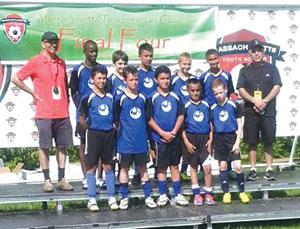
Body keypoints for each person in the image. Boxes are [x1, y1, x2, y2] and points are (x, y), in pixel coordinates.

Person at [11, 31, 73, 192]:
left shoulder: (61, 62)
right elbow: (16, 78)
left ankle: (61, 178)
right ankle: (46, 179)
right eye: (50, 42)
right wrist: (32, 93)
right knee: (44, 146)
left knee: (63, 146)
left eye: (55, 42)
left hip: (62, 111)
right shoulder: (35, 62)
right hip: (44, 112)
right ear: (43, 43)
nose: (54, 44)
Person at [237, 39, 282, 181]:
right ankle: (253, 169)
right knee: (252, 141)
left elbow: (277, 87)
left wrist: (265, 101)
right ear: (250, 53)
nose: (256, 53)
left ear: (263, 52)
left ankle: (269, 169)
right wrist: (254, 100)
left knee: (268, 140)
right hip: (251, 110)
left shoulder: (272, 68)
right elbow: (241, 89)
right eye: (254, 51)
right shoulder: (244, 70)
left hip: (268, 110)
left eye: (259, 51)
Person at [114, 66, 157, 210]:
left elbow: (147, 120)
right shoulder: (120, 98)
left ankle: (148, 197)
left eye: (136, 79)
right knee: (124, 168)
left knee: (143, 169)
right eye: (131, 80)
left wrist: (150, 144)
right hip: (125, 142)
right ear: (125, 80)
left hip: (140, 142)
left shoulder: (144, 98)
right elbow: (115, 119)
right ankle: (124, 198)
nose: (134, 82)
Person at [147, 65, 189, 207]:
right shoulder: (151, 98)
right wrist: (162, 133)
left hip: (174, 138)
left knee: (175, 166)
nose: (165, 81)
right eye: (162, 79)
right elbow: (149, 119)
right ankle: (163, 195)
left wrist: (174, 132)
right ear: (156, 80)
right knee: (161, 168)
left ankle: (177, 194)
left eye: (167, 78)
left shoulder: (176, 97)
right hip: (159, 139)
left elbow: (181, 115)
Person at [79, 66, 118, 212]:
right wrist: (89, 130)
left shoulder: (110, 97)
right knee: (92, 167)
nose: (101, 81)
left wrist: (113, 129)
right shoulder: (87, 98)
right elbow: (82, 118)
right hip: (93, 135)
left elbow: (115, 118)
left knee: (108, 166)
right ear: (92, 79)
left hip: (108, 135)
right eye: (99, 78)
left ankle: (111, 197)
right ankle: (91, 198)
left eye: (104, 78)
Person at [69, 40, 106, 189]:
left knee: (100, 145)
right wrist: (80, 108)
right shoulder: (78, 69)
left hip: (99, 115)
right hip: (84, 115)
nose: (94, 54)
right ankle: (86, 177)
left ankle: (99, 177)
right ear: (84, 52)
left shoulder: (100, 69)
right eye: (91, 51)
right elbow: (72, 90)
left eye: (96, 51)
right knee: (84, 144)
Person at [210, 79, 250, 204]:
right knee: (223, 166)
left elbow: (240, 125)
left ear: (226, 90)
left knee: (237, 166)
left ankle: (242, 191)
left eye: (220, 92)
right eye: (216, 94)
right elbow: (211, 127)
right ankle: (226, 192)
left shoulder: (234, 105)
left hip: (232, 138)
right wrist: (212, 144)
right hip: (219, 139)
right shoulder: (212, 107)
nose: (219, 96)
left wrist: (237, 142)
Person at [199, 49, 236, 178]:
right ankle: (201, 168)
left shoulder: (227, 75)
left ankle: (229, 168)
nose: (213, 62)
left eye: (215, 59)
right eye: (210, 60)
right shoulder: (203, 77)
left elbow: (230, 93)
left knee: (226, 138)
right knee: (206, 139)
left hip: (223, 111)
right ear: (207, 61)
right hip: (209, 111)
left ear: (218, 59)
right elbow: (200, 95)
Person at [182, 78, 214, 206]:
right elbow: (182, 127)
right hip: (191, 138)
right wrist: (186, 142)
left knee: (207, 168)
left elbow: (210, 123)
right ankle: (196, 194)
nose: (195, 93)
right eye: (192, 91)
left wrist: (211, 139)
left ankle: (208, 193)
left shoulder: (206, 104)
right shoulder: (185, 106)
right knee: (193, 167)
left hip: (205, 139)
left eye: (197, 90)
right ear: (188, 91)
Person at [171, 52, 198, 180]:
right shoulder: (173, 79)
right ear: (179, 63)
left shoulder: (193, 79)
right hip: (177, 116)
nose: (186, 67)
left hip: (191, 115)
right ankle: (176, 170)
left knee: (190, 143)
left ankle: (185, 169)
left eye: (189, 64)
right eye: (184, 64)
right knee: (179, 144)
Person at [133, 43, 157, 185]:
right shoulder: (136, 73)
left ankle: (157, 170)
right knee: (140, 143)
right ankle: (137, 172)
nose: (149, 59)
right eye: (146, 56)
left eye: (151, 56)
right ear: (140, 56)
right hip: (140, 114)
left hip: (154, 114)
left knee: (154, 143)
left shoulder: (155, 73)